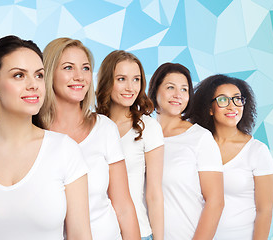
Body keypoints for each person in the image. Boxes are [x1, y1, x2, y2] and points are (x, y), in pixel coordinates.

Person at [0, 35, 92, 240]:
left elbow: (80, 235)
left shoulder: (65, 151)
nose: (33, 85)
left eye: (39, 75)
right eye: (19, 75)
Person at [39, 38, 140, 240]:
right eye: (68, 67)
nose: (79, 76)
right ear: (49, 74)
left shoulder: (104, 129)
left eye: (85, 68)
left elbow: (123, 207)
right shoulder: (33, 133)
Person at [188, 74, 273, 240]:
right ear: (209, 108)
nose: (232, 106)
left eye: (237, 99)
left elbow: (265, 211)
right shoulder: (196, 146)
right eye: (223, 100)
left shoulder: (257, 151)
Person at [147, 63, 224, 240]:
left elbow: (216, 202)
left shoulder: (200, 138)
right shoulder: (141, 135)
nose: (177, 95)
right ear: (154, 90)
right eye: (170, 87)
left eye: (184, 89)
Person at [96, 50, 164, 240]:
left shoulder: (148, 127)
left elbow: (154, 194)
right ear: (107, 81)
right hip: (98, 233)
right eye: (121, 79)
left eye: (136, 79)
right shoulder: (93, 125)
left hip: (139, 233)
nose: (130, 87)